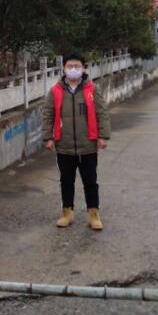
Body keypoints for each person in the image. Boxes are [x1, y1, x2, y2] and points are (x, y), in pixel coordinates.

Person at [42, 54, 111, 231]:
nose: (73, 69)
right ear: (64, 69)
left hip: (88, 145)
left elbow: (102, 113)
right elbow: (48, 114)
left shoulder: (92, 89)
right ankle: (67, 212)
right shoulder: (55, 91)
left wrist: (103, 136)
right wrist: (48, 137)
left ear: (83, 68)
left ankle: (93, 213)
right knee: (66, 181)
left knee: (90, 180)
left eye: (77, 66)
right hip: (64, 145)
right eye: (70, 66)